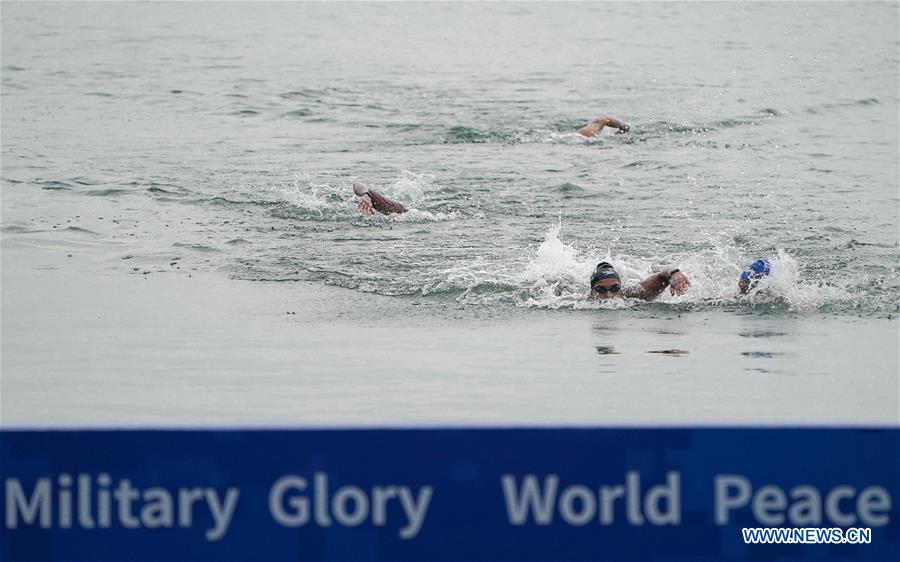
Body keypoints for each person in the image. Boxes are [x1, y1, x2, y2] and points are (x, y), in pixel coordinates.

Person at [588, 261, 691, 301]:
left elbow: (662, 275)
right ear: (592, 291)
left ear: (621, 287)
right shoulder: (583, 302)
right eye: (601, 290)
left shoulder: (636, 293)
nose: (609, 295)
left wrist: (675, 274)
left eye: (615, 288)